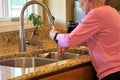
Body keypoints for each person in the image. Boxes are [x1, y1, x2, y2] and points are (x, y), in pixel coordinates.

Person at [49, 0, 120, 80]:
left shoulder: (96, 14)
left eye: (80, 1)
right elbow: (98, 39)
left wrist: (55, 35)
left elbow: (69, 40)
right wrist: (72, 43)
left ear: (87, 0)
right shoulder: (112, 11)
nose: (79, 5)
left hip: (112, 73)